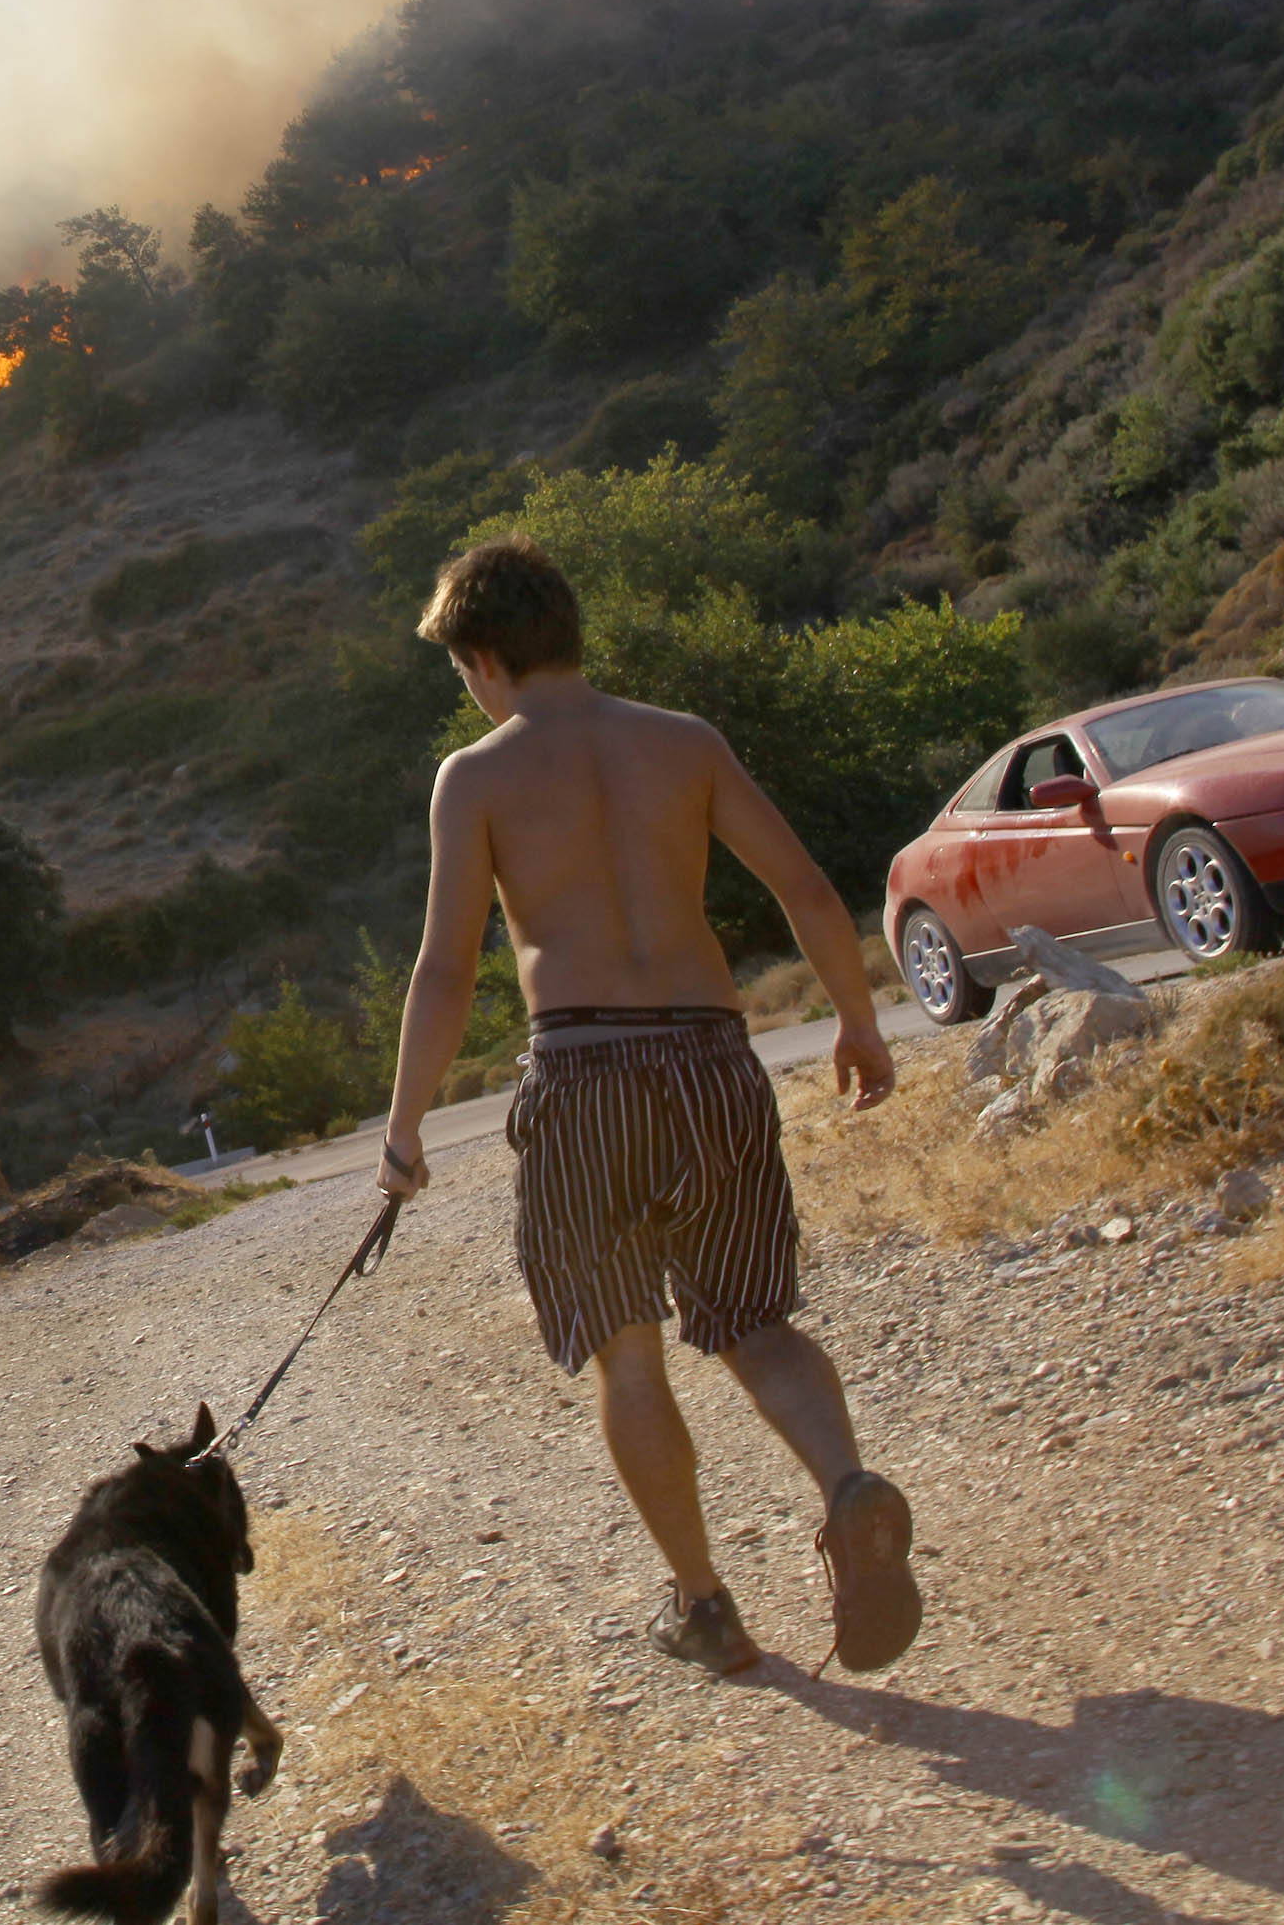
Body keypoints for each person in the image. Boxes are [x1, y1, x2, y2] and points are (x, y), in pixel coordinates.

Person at [372, 535, 918, 1676]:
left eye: (462, 669)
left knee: (630, 1355)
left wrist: (406, 1128)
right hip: (713, 1060)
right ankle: (848, 1487)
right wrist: (859, 1022)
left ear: (484, 657)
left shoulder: (474, 777)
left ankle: (705, 1603)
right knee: (754, 1321)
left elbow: (444, 970)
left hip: (584, 1080)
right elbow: (809, 889)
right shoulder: (684, 743)